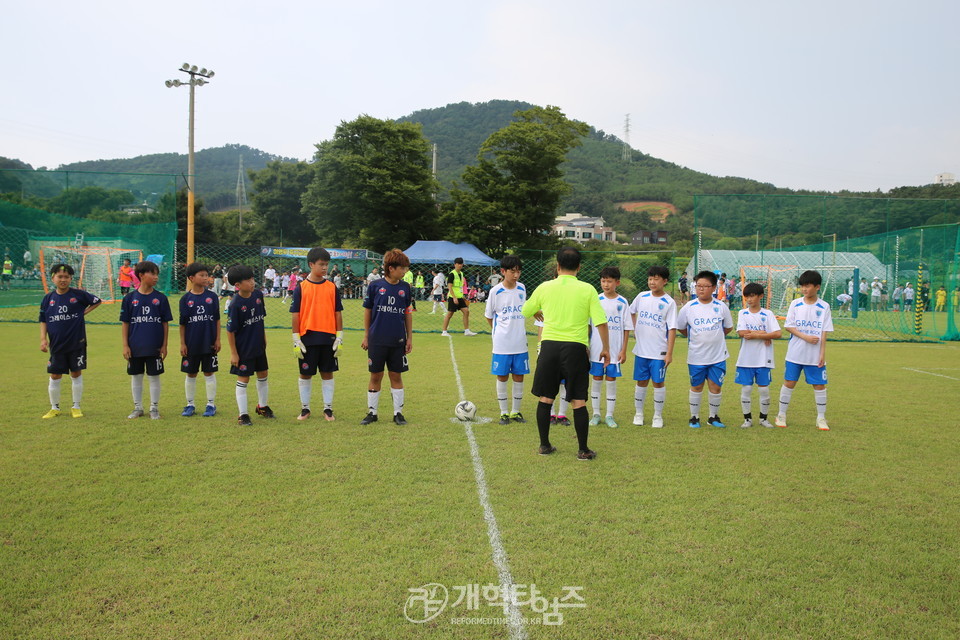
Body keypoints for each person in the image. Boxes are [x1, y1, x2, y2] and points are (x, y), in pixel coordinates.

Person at [522, 246, 609, 461]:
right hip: (575, 348)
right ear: (579, 267)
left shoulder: (544, 287)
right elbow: (600, 322)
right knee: (578, 400)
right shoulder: (587, 289)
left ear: (557, 266)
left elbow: (524, 310)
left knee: (545, 397)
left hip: (549, 346)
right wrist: (606, 348)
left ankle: (544, 445)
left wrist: (536, 310)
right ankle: (583, 450)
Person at [38, 263, 102, 418]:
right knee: (55, 375)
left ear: (71, 278)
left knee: (76, 373)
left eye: (66, 277)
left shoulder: (78, 295)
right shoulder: (48, 299)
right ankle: (55, 408)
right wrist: (43, 339)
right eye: (60, 276)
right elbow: (43, 320)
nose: (63, 279)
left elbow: (97, 301)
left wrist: (83, 312)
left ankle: (76, 406)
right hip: (57, 344)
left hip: (76, 342)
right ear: (53, 278)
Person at [360, 249, 413, 426]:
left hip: (397, 340)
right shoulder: (375, 286)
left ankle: (398, 413)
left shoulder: (405, 288)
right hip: (377, 339)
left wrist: (409, 337)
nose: (405, 272)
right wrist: (366, 335)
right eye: (402, 268)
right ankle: (372, 413)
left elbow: (407, 313)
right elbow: (368, 310)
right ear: (391, 268)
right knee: (375, 375)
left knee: (396, 375)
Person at [291, 248, 343, 422]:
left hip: (328, 337)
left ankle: (328, 409)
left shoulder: (332, 287)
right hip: (308, 338)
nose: (324, 268)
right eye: (321, 264)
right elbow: (296, 314)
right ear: (311, 264)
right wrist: (296, 338)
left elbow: (337, 313)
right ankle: (305, 409)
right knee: (305, 374)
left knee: (327, 373)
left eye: (326, 264)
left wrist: (339, 336)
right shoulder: (301, 288)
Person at [776, 270, 833, 431]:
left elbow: (824, 331)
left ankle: (821, 418)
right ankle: (781, 414)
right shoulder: (796, 304)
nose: (804, 289)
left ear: (817, 287)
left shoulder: (824, 307)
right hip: (795, 353)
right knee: (789, 382)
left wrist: (822, 354)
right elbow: (789, 326)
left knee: (819, 385)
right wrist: (805, 337)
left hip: (815, 356)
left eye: (807, 286)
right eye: (802, 286)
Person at [677, 270, 734, 428]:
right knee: (696, 386)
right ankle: (694, 417)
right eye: (698, 286)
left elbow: (728, 328)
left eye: (705, 286)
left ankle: (713, 417)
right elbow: (681, 328)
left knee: (715, 386)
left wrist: (713, 337)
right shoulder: (689, 307)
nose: (701, 289)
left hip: (718, 356)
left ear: (714, 288)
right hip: (696, 356)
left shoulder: (721, 306)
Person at [120, 260, 173, 420]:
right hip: (135, 346)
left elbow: (165, 323)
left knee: (154, 376)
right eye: (153, 273)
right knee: (136, 375)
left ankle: (154, 408)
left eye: (157, 274)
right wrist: (125, 345)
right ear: (141, 275)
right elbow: (125, 323)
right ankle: (138, 408)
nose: (156, 277)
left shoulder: (161, 298)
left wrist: (164, 345)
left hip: (154, 346)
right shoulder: (129, 298)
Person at [629, 265, 677, 429]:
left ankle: (657, 416)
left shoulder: (669, 302)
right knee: (641, 381)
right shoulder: (641, 296)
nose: (652, 282)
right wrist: (635, 329)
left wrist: (669, 353)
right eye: (650, 279)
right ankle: (639, 413)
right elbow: (631, 312)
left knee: (658, 382)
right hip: (641, 350)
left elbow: (672, 329)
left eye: (656, 279)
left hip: (659, 352)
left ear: (664, 281)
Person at [226, 264, 274, 426]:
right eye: (248, 280)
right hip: (244, 348)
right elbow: (230, 331)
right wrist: (234, 353)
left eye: (253, 278)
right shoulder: (235, 304)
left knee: (263, 374)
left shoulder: (258, 295)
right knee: (244, 379)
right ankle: (243, 415)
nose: (252, 282)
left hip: (258, 345)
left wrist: (264, 338)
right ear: (238, 285)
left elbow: (261, 319)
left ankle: (262, 406)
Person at [485, 255, 529, 425]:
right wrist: (499, 332)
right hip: (502, 343)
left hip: (520, 342)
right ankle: (503, 412)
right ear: (503, 272)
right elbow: (489, 316)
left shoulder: (522, 289)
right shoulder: (495, 291)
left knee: (519, 376)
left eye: (518, 271)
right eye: (512, 271)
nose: (516, 275)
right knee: (502, 376)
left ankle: (515, 411)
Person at [588, 267, 633, 429]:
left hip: (614, 350)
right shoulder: (595, 300)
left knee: (611, 380)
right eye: (603, 281)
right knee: (597, 379)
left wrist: (623, 350)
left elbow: (627, 327)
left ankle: (609, 415)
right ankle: (596, 414)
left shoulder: (622, 302)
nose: (606, 284)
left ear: (617, 283)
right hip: (596, 350)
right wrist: (587, 346)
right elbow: (589, 326)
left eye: (609, 281)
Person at [735, 283, 782, 428]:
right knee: (747, 389)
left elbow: (778, 333)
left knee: (764, 389)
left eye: (752, 296)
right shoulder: (743, 313)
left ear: (760, 296)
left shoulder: (767, 314)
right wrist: (763, 334)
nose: (749, 299)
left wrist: (757, 334)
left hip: (763, 358)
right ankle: (747, 419)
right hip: (745, 359)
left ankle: (763, 419)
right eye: (747, 296)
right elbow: (742, 333)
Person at [178, 262, 220, 418]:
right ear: (191, 278)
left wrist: (217, 340)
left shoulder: (212, 297)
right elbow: (182, 324)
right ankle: (190, 404)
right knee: (191, 373)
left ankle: (210, 404)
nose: (205, 278)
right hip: (191, 343)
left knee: (209, 372)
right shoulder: (185, 299)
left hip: (209, 342)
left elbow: (216, 320)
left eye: (206, 275)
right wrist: (182, 343)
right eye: (201, 275)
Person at [441, 258, 476, 336]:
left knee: (466, 311)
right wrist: (454, 297)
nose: (460, 265)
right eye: (458, 264)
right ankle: (444, 331)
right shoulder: (452, 274)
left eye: (461, 264)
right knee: (450, 314)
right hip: (453, 297)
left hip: (460, 297)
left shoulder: (461, 274)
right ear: (455, 264)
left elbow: (460, 287)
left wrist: (462, 296)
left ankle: (467, 331)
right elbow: (449, 286)